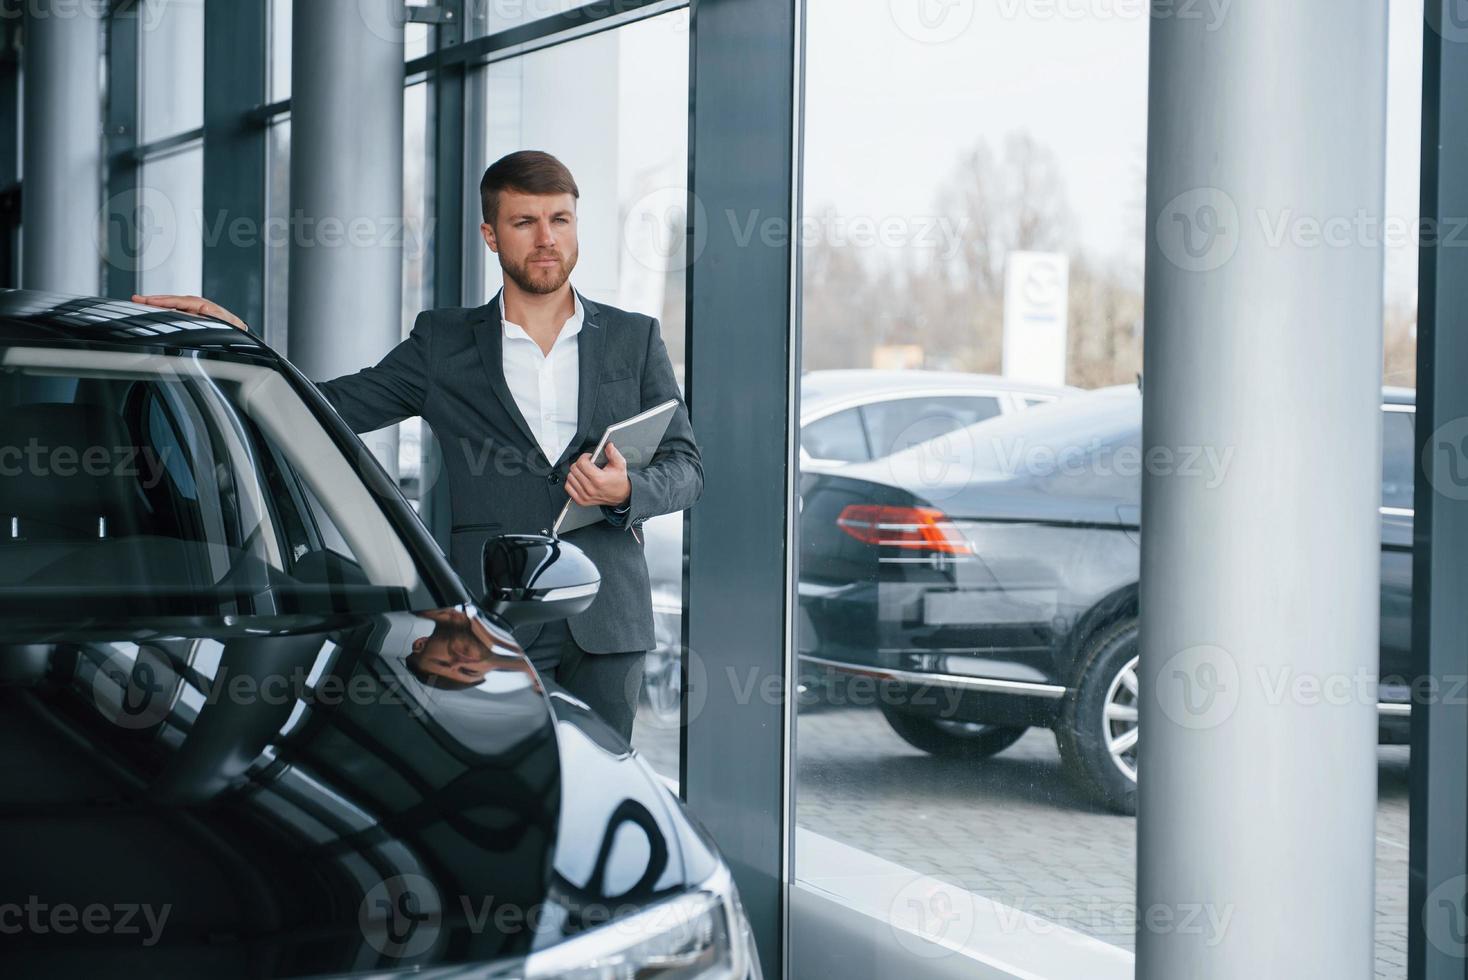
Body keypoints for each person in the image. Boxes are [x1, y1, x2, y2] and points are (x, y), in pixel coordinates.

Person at [134, 149, 702, 742]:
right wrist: (242, 347)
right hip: (487, 619)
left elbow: (687, 467)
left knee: (599, 783)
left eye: (560, 219)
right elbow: (323, 410)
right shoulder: (444, 343)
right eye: (524, 222)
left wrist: (626, 489)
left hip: (607, 617)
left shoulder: (634, 340)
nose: (546, 239)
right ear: (490, 234)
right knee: (489, 780)